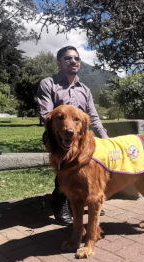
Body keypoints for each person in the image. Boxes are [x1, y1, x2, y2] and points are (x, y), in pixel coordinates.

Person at [37, 46, 109, 226]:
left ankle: (86, 197)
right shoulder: (48, 84)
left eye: (77, 58)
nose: (74, 61)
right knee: (66, 165)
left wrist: (105, 138)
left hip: (80, 138)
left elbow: (93, 116)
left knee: (93, 162)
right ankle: (59, 202)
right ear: (59, 62)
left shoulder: (84, 89)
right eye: (68, 58)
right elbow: (45, 114)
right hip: (56, 136)